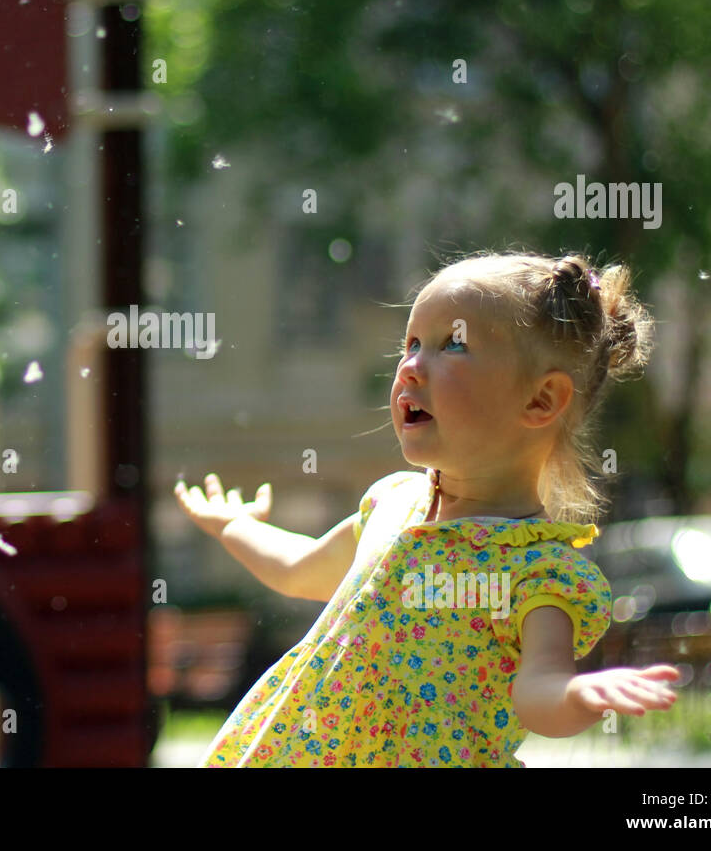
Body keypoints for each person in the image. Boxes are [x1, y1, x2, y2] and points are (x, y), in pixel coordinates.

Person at [174, 250, 679, 767]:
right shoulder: (393, 504)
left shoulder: (539, 573)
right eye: (411, 344)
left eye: (453, 345)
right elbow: (300, 568)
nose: (411, 367)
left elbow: (540, 692)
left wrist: (577, 698)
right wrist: (235, 526)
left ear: (541, 400)